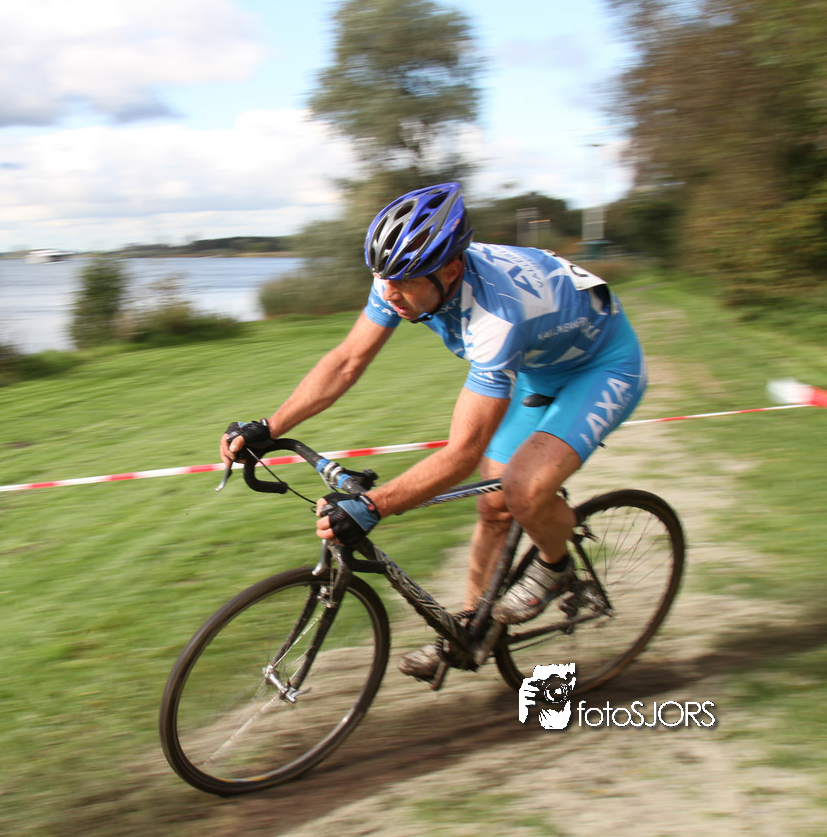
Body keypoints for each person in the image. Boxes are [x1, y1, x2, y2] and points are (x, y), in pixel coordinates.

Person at [221, 182, 647, 681]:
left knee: (522, 488)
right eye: (383, 278)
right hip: (541, 365)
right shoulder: (401, 280)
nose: (389, 293)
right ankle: (472, 628)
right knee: (493, 506)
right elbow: (347, 361)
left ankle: (555, 568)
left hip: (602, 367)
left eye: (403, 281)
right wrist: (269, 427)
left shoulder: (496, 316)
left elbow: (464, 451)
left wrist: (373, 505)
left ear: (450, 271)